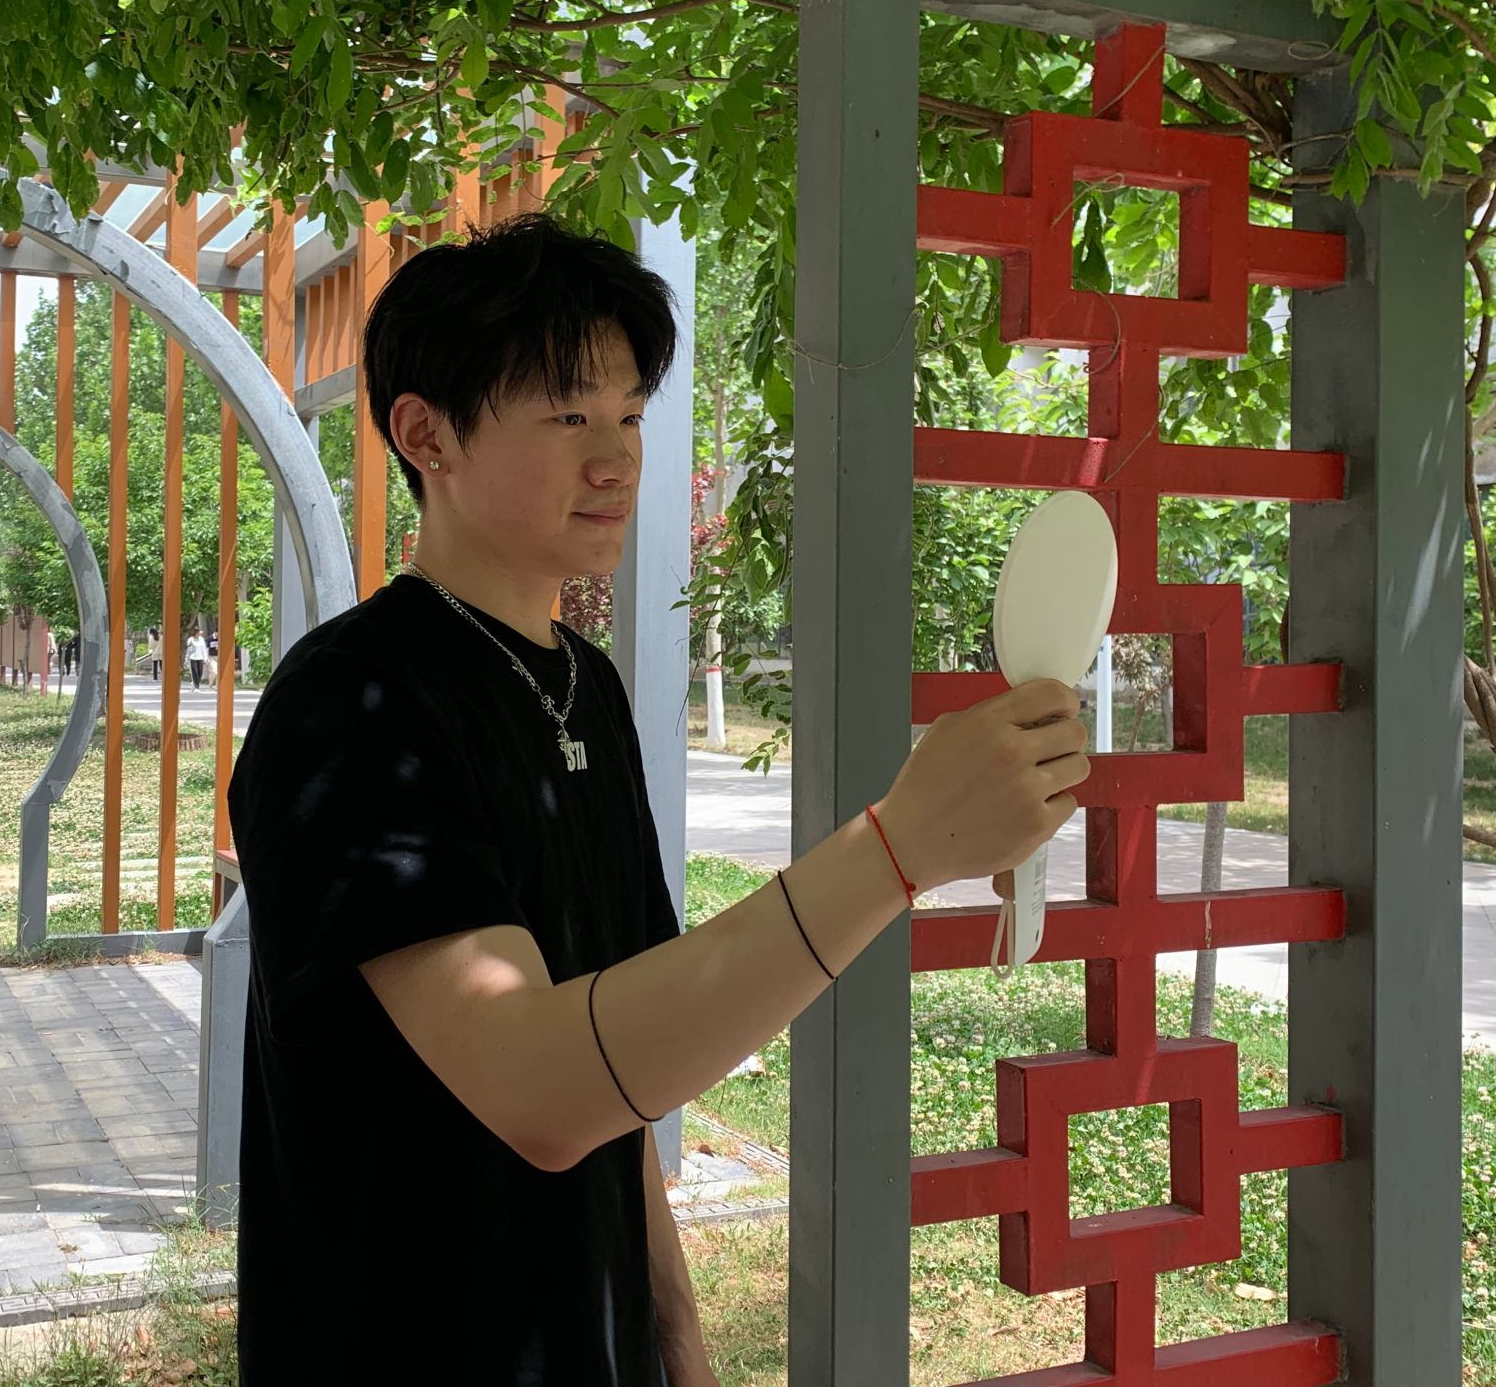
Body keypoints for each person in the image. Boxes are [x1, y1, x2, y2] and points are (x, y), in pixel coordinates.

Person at [225, 214, 1087, 1386]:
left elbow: (617, 1060)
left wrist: (675, 1338)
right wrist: (894, 851)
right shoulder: (352, 702)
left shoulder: (585, 686)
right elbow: (541, 1083)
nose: (617, 459)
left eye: (629, 416)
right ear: (426, 435)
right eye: (566, 415)